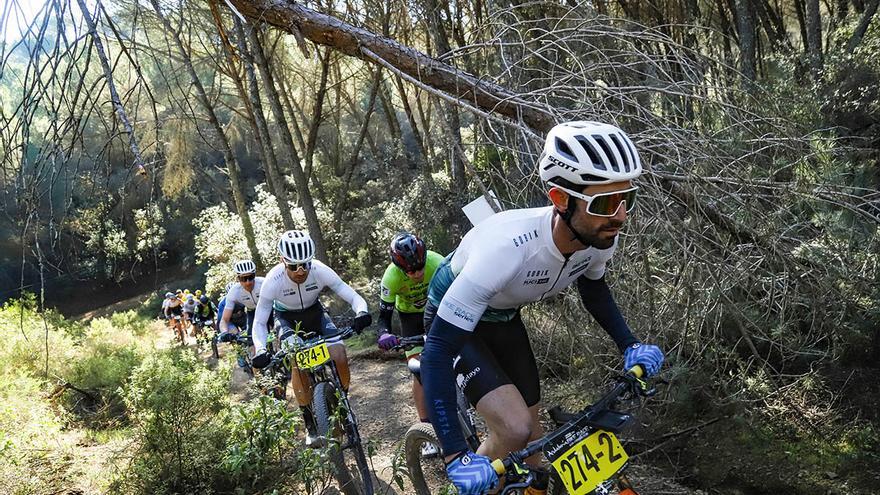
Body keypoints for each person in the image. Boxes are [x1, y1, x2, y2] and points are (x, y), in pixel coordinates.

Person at [419, 121, 665, 495]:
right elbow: (436, 352)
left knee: (533, 449)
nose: (620, 216)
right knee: (514, 429)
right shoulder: (505, 248)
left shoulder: (599, 236)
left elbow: (594, 291)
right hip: (451, 319)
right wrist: (456, 456)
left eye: (626, 199)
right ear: (560, 199)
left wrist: (629, 344)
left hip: (502, 316)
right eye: (604, 203)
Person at [251, 230, 372, 445]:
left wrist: (361, 312)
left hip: (315, 313)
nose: (300, 271)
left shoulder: (319, 270)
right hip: (286, 320)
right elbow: (260, 322)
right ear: (282, 261)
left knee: (339, 352)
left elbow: (349, 293)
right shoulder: (273, 280)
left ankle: (344, 403)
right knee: (297, 362)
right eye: (293, 266)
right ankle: (309, 421)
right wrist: (260, 349)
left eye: (305, 264)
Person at [374, 232, 444, 423]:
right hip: (409, 318)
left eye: (420, 267)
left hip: (436, 309)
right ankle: (425, 423)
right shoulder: (391, 278)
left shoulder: (437, 262)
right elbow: (384, 317)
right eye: (411, 271)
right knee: (420, 371)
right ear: (400, 268)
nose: (418, 274)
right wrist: (384, 334)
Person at [219, 259, 264, 336]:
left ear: (255, 275)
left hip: (268, 309)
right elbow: (224, 320)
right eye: (243, 279)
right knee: (251, 340)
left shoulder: (264, 283)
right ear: (238, 279)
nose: (248, 282)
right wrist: (225, 333)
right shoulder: (234, 292)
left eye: (251, 277)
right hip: (252, 312)